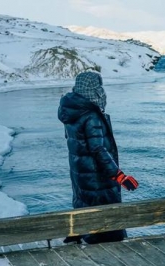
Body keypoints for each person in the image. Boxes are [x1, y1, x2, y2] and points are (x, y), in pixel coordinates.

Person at [58, 70, 139, 244]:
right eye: (99, 86)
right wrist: (119, 176)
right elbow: (98, 149)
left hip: (80, 175)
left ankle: (80, 235)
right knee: (108, 226)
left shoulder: (73, 112)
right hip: (97, 179)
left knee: (85, 208)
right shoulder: (91, 115)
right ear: (93, 89)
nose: (102, 91)